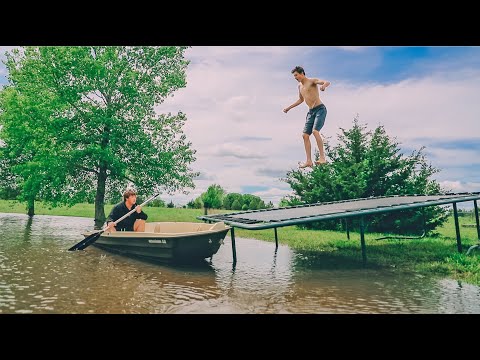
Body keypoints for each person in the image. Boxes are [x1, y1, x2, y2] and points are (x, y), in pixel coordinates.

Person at [283, 65, 330, 168]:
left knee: (315, 131)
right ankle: (309, 161)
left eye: (296, 75)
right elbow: (300, 100)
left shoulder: (312, 81)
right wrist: (289, 108)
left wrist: (323, 86)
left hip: (320, 109)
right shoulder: (300, 87)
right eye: (294, 76)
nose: (295, 78)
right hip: (311, 112)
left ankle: (322, 158)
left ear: (302, 73)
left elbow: (326, 82)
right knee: (305, 136)